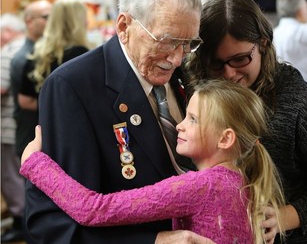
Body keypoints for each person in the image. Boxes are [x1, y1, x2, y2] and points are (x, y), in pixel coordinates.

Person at [23, 0, 222, 244]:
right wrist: (155, 240)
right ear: (124, 27)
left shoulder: (182, 75)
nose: (177, 58)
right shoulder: (73, 87)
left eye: (188, 43)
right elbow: (52, 223)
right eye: (167, 41)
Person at [20, 79, 286, 244]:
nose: (179, 125)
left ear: (225, 138)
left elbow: (94, 210)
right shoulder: (243, 183)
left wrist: (35, 164)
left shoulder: (200, 186)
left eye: (193, 120)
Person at [184, 0, 307, 244]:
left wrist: (281, 218)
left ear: (263, 43)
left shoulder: (301, 102)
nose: (229, 74)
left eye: (240, 59)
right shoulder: (197, 93)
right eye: (217, 64)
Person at [18, 0, 90, 112]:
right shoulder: (83, 55)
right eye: (85, 18)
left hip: (43, 125)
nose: (87, 22)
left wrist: (50, 110)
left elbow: (25, 101)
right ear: (78, 22)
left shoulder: (37, 52)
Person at [10, 0, 52, 157]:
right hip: (30, 138)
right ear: (29, 21)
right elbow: (25, 101)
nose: (52, 21)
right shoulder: (25, 56)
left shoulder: (44, 54)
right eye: (47, 17)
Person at [0, 13, 27, 243]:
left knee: (11, 177)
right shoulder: (31, 46)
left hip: (8, 126)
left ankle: (21, 222)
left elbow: (1, 87)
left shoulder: (8, 52)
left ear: (7, 31)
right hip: (25, 125)